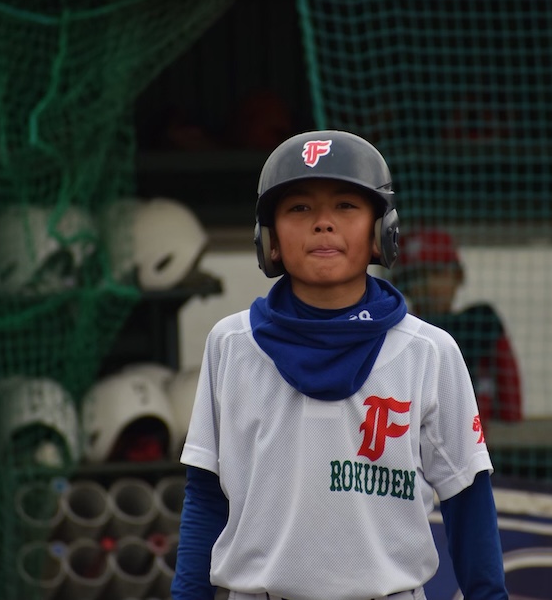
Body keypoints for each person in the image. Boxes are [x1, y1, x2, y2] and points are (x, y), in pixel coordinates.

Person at [172, 130, 508, 600]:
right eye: (299, 208)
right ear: (269, 238)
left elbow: (466, 498)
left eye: (346, 206)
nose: (323, 224)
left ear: (381, 232)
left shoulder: (428, 351)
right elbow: (206, 496)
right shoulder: (232, 344)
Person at [392, 228, 523, 434]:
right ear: (402, 285)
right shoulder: (397, 337)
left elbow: (511, 413)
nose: (430, 286)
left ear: (458, 276)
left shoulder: (480, 328)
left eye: (438, 273)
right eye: (417, 276)